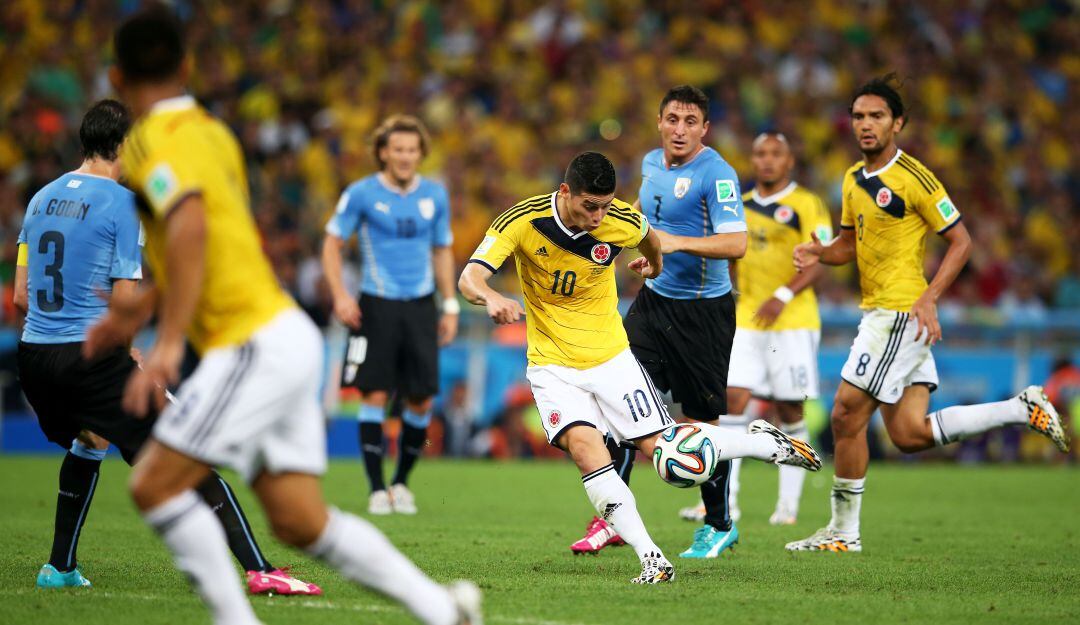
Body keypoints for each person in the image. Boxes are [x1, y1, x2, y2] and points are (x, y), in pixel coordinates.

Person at [86, 8, 479, 624]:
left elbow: (188, 226)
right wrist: (144, 304)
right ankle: (441, 608)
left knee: (153, 485)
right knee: (300, 520)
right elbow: (209, 235)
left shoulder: (145, 143)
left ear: (115, 74)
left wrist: (160, 338)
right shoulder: (213, 132)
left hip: (251, 342)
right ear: (187, 68)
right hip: (285, 334)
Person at [458, 151, 821, 584]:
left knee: (670, 462)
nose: (597, 217)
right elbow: (469, 278)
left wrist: (656, 266)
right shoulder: (522, 220)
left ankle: (762, 443)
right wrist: (492, 297)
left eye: (605, 206)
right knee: (586, 451)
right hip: (552, 365)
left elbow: (650, 240)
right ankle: (652, 558)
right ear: (565, 192)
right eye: (589, 205)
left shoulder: (621, 220)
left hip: (612, 359)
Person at [14, 99, 318, 596]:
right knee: (189, 450)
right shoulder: (122, 203)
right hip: (90, 358)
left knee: (90, 438)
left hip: (35, 357)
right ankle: (261, 570)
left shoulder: (38, 200)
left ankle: (59, 566)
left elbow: (22, 296)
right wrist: (127, 354)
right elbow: (126, 296)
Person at [787, 75, 1069, 553]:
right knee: (908, 434)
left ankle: (842, 533)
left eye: (876, 116)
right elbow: (849, 246)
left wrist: (930, 296)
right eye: (858, 116)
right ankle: (1020, 408)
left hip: (899, 312)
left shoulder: (915, 177)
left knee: (844, 415)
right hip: (883, 312)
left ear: (898, 123)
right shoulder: (853, 179)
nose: (866, 124)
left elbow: (961, 240)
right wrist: (820, 253)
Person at [571, 85, 752, 560]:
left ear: (704, 128)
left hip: (702, 314)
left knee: (702, 422)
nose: (680, 129)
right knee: (622, 403)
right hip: (653, 306)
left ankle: (718, 523)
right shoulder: (650, 164)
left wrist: (674, 243)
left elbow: (737, 244)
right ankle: (611, 519)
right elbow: (647, 231)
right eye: (673, 118)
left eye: (691, 121)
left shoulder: (718, 174)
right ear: (659, 121)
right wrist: (650, 258)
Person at [681, 132, 833, 527]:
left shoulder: (807, 204)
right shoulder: (741, 207)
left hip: (793, 321)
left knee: (789, 408)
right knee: (731, 400)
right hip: (747, 318)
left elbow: (822, 258)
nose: (766, 161)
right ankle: (721, 503)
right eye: (760, 153)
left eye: (775, 154)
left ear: (789, 162)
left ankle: (788, 506)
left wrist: (782, 294)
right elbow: (728, 254)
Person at [322, 115, 457, 515]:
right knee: (375, 394)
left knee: (420, 399)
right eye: (397, 149)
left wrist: (449, 304)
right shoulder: (361, 194)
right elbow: (331, 244)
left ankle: (401, 482)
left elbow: (442, 250)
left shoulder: (435, 195)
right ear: (383, 152)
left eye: (411, 150)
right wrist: (340, 296)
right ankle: (377, 488)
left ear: (420, 154)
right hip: (376, 303)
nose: (404, 156)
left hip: (421, 304)